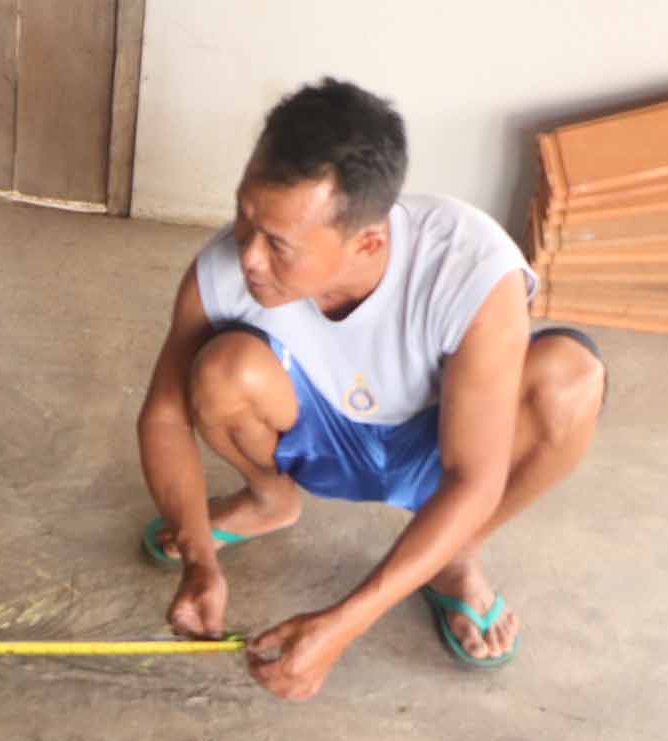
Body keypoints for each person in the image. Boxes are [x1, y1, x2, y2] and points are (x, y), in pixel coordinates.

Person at [138, 78, 606, 701]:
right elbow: (165, 418)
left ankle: (454, 557)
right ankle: (269, 500)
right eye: (244, 217)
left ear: (368, 240)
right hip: (318, 435)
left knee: (571, 378)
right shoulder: (221, 268)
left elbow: (475, 475)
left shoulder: (469, 267)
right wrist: (199, 555)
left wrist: (345, 623)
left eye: (278, 244)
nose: (248, 256)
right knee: (223, 371)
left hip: (436, 445)